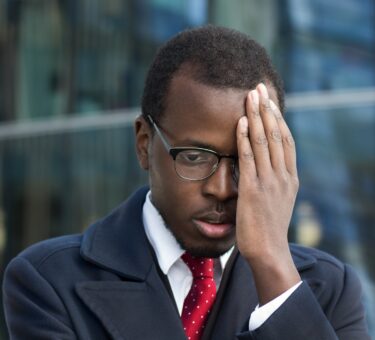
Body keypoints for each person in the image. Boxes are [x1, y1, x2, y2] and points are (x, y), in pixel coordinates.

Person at [3, 25, 370, 340]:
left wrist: (274, 267)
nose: (223, 189)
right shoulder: (48, 280)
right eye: (195, 157)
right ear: (145, 144)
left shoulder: (327, 289)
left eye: (247, 161)